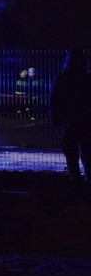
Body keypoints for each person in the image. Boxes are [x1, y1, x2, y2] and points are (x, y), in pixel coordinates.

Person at [49, 50, 91, 188]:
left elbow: (54, 102)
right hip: (85, 123)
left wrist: (58, 123)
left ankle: (77, 184)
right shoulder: (86, 78)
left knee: (71, 157)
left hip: (68, 124)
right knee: (87, 155)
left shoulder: (62, 79)